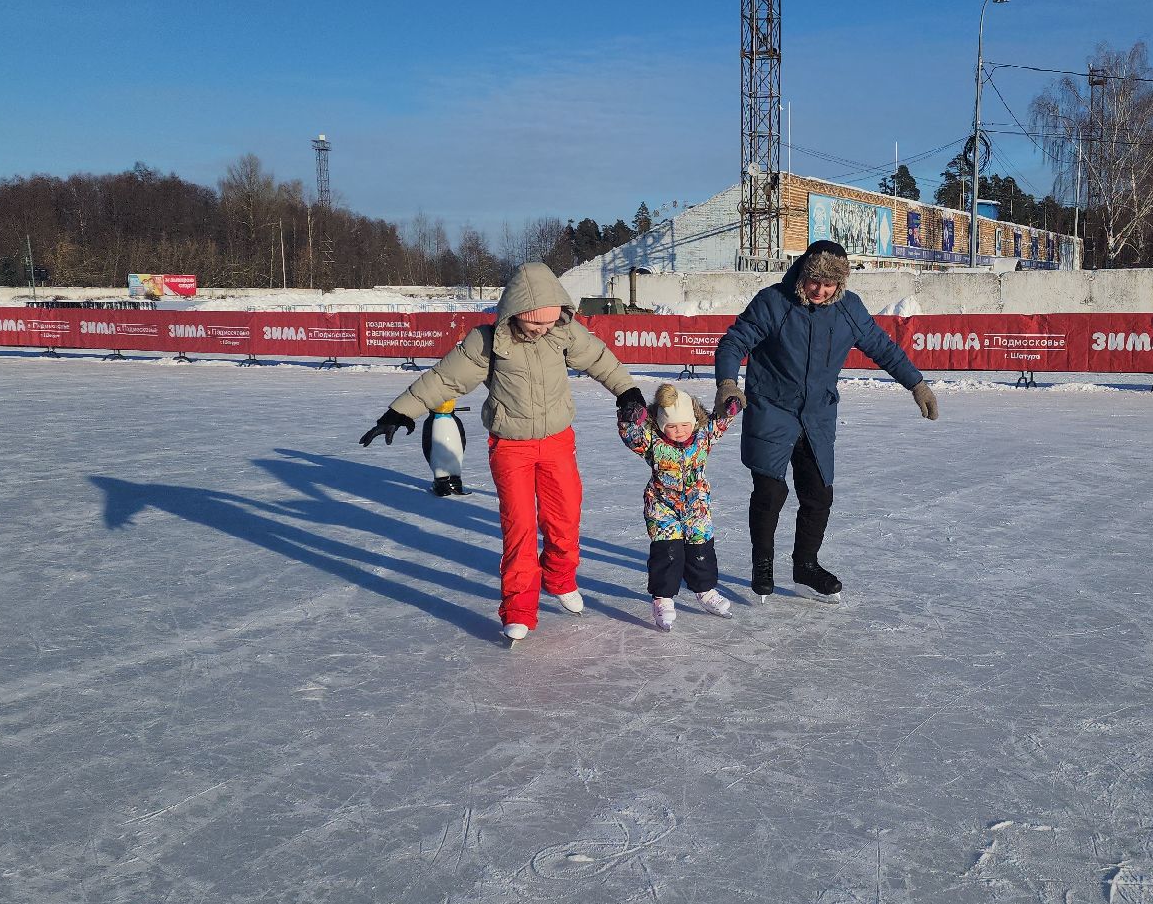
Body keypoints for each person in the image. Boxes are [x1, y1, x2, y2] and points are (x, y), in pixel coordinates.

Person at [360, 262, 644, 642]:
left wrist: (627, 390)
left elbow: (598, 358)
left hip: (558, 441)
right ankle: (519, 609)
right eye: (535, 323)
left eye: (549, 321)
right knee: (520, 528)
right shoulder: (488, 341)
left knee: (565, 518)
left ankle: (560, 580)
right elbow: (446, 377)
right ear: (515, 314)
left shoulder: (563, 332)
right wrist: (399, 411)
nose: (543, 329)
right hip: (511, 447)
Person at [714, 239, 938, 602]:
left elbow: (882, 348)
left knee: (819, 496)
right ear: (803, 273)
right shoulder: (774, 302)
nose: (820, 290)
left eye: (829, 283)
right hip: (772, 408)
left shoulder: (849, 309)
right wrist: (728, 383)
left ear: (840, 283)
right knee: (771, 492)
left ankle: (806, 565)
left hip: (817, 415)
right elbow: (734, 343)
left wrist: (917, 384)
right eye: (814, 281)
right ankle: (763, 563)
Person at [617, 382, 741, 631]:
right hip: (662, 507)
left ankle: (705, 591)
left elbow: (720, 422)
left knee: (701, 550)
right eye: (671, 426)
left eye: (685, 425)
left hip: (697, 506)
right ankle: (662, 599)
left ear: (694, 421)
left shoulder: (703, 436)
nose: (679, 431)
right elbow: (632, 436)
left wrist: (730, 408)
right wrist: (630, 419)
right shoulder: (653, 442)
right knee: (668, 553)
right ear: (662, 426)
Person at [422, 399, 470, 497]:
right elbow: (427, 444)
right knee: (440, 462)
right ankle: (441, 482)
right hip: (439, 458)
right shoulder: (431, 422)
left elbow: (462, 439)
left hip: (453, 457)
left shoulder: (454, 420)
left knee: (454, 460)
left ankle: (454, 481)